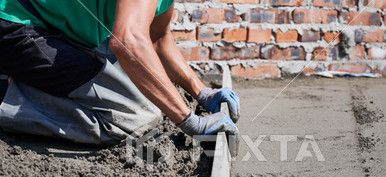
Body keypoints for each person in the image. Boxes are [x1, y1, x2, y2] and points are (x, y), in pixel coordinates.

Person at [0, 0, 239, 150]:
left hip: (52, 29)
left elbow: (158, 40)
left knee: (150, 92)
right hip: (15, 22)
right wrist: (191, 121)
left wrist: (202, 92)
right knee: (132, 116)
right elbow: (127, 40)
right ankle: (5, 96)